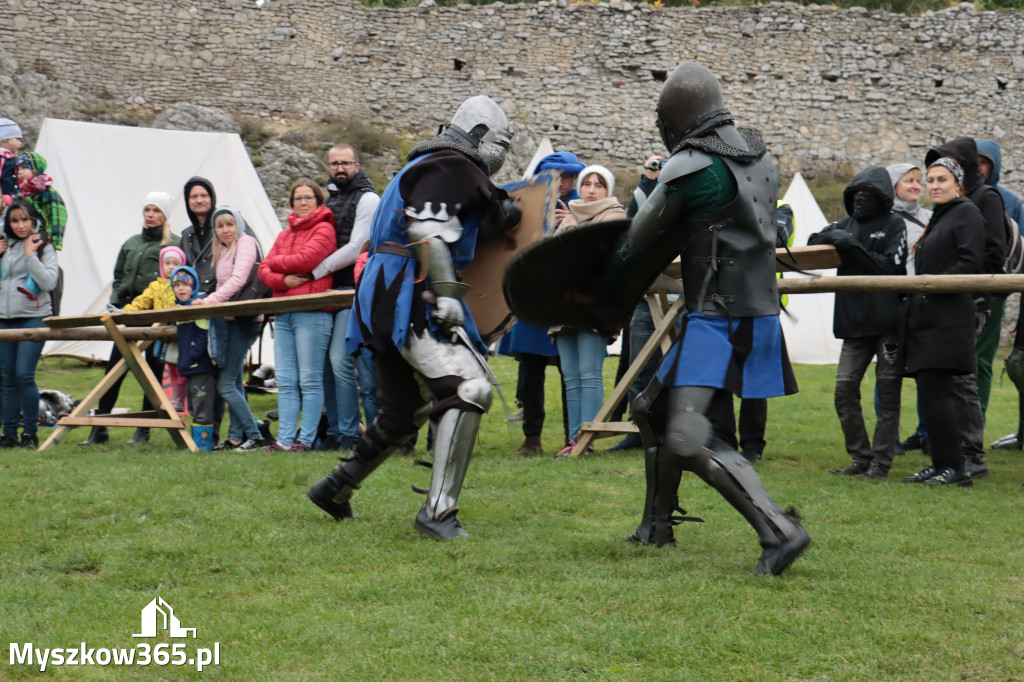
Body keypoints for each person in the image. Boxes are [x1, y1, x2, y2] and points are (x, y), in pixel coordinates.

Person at [569, 62, 809, 575]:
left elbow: (636, 243)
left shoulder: (692, 165)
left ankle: (780, 530)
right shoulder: (757, 157)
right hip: (751, 311)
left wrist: (588, 285)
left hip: (718, 320)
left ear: (673, 117)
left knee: (685, 434)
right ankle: (655, 526)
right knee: (650, 409)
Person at [307, 95, 518, 540]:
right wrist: (446, 295)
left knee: (405, 410)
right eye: (501, 142)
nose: (501, 154)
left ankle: (335, 487)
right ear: (479, 137)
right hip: (410, 290)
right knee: (469, 388)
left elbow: (462, 217)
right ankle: (437, 514)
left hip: (384, 290)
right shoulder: (453, 165)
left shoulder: (426, 166)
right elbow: (427, 228)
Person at [808, 167, 907, 479]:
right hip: (853, 323)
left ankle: (881, 462)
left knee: (888, 393)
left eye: (867, 196)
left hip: (887, 322)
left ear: (881, 198)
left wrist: (851, 246)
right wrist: (836, 237)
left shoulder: (894, 224)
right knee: (844, 390)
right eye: (856, 196)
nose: (861, 201)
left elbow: (892, 269)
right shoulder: (845, 223)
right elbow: (814, 241)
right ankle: (860, 457)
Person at [924, 137, 1008, 480]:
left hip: (969, 301)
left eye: (945, 170)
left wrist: (954, 282)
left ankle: (971, 454)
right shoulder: (945, 208)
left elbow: (992, 253)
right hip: (944, 302)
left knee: (963, 380)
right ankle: (948, 453)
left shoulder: (984, 199)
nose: (935, 183)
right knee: (944, 383)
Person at [901, 158, 983, 487]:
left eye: (942, 180)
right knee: (929, 392)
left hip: (949, 318)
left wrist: (930, 287)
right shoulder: (940, 217)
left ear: (958, 184)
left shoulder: (966, 213)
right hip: (929, 316)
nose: (934, 185)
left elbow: (970, 262)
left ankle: (956, 468)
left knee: (936, 392)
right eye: (931, 180)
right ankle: (940, 464)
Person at [496, 151, 582, 456]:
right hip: (531, 297)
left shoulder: (583, 206)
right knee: (530, 372)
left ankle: (575, 438)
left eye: (571, 176)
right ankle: (531, 437)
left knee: (570, 371)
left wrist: (572, 221)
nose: (566, 182)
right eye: (561, 176)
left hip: (564, 301)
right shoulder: (524, 202)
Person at [79, 191, 180, 446]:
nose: (151, 215)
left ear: (165, 214)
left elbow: (180, 278)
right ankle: (99, 427)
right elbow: (119, 276)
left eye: (156, 210)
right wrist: (116, 303)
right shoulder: (131, 243)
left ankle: (143, 429)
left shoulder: (174, 244)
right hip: (128, 312)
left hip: (157, 315)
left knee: (152, 372)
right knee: (114, 368)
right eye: (147, 210)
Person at [310, 143, 381, 451]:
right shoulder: (331, 199)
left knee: (342, 363)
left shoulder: (368, 198)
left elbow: (357, 247)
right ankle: (338, 431)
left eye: (345, 163)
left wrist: (313, 271)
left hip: (353, 290)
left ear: (357, 164)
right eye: (334, 163)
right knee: (326, 365)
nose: (339, 168)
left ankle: (352, 434)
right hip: (327, 291)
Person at [551, 164, 625, 457]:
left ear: (607, 190)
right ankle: (573, 441)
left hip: (595, 303)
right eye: (587, 184)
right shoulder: (569, 215)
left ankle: (587, 441)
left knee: (589, 373)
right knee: (570, 375)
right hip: (565, 303)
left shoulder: (615, 215)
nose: (591, 190)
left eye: (598, 185)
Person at [257, 179, 336, 452]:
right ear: (291, 203)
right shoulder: (283, 236)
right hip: (284, 312)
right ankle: (284, 440)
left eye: (308, 198)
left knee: (310, 379)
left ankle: (305, 440)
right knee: (288, 380)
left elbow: (306, 261)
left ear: (318, 201)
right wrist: (285, 279)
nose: (303, 203)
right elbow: (262, 272)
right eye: (298, 198)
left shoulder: (325, 229)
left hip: (312, 312)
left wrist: (277, 267)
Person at [192, 206, 268, 451]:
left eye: (229, 225)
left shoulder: (246, 243)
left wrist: (209, 301)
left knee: (226, 384)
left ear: (238, 225)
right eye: (220, 226)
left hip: (246, 320)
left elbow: (239, 279)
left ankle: (256, 436)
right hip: (232, 319)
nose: (225, 230)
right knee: (234, 382)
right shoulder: (223, 250)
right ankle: (236, 437)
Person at [607, 155, 665, 453]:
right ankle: (636, 429)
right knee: (638, 365)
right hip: (647, 293)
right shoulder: (651, 194)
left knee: (676, 365)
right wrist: (648, 179)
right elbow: (633, 222)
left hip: (682, 294)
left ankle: (671, 429)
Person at [0, 202, 59, 449]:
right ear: (8, 224)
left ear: (33, 220)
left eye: (25, 220)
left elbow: (49, 282)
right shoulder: (5, 246)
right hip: (4, 318)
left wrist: (29, 255)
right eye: (15, 221)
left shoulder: (44, 246)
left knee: (24, 375)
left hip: (33, 317)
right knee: (7, 379)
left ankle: (30, 434)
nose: (21, 225)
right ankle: (9, 433)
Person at [888, 163, 933, 456]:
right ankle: (887, 436)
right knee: (888, 372)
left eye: (919, 181)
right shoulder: (883, 220)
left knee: (926, 372)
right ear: (893, 186)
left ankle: (927, 433)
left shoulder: (932, 217)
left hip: (924, 301)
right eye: (909, 181)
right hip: (893, 302)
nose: (917, 186)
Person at [121, 245, 188, 411]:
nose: (171, 267)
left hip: (178, 332)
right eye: (167, 263)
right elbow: (142, 301)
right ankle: (161, 404)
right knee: (163, 368)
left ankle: (180, 398)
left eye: (175, 263)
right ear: (161, 265)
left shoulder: (183, 284)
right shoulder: (155, 286)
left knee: (180, 367)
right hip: (159, 333)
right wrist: (125, 312)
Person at [170, 266, 218, 449]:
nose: (181, 289)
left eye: (186, 284)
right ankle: (200, 444)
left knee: (202, 407)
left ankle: (203, 446)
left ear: (194, 285)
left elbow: (203, 336)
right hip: (189, 366)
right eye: (177, 285)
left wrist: (191, 356)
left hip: (200, 366)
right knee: (194, 406)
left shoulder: (198, 307)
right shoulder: (181, 310)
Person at [0, 118, 24, 206]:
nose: (20, 143)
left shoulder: (16, 161)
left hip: (9, 201)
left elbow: (20, 181)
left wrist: (13, 196)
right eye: (17, 139)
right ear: (5, 139)